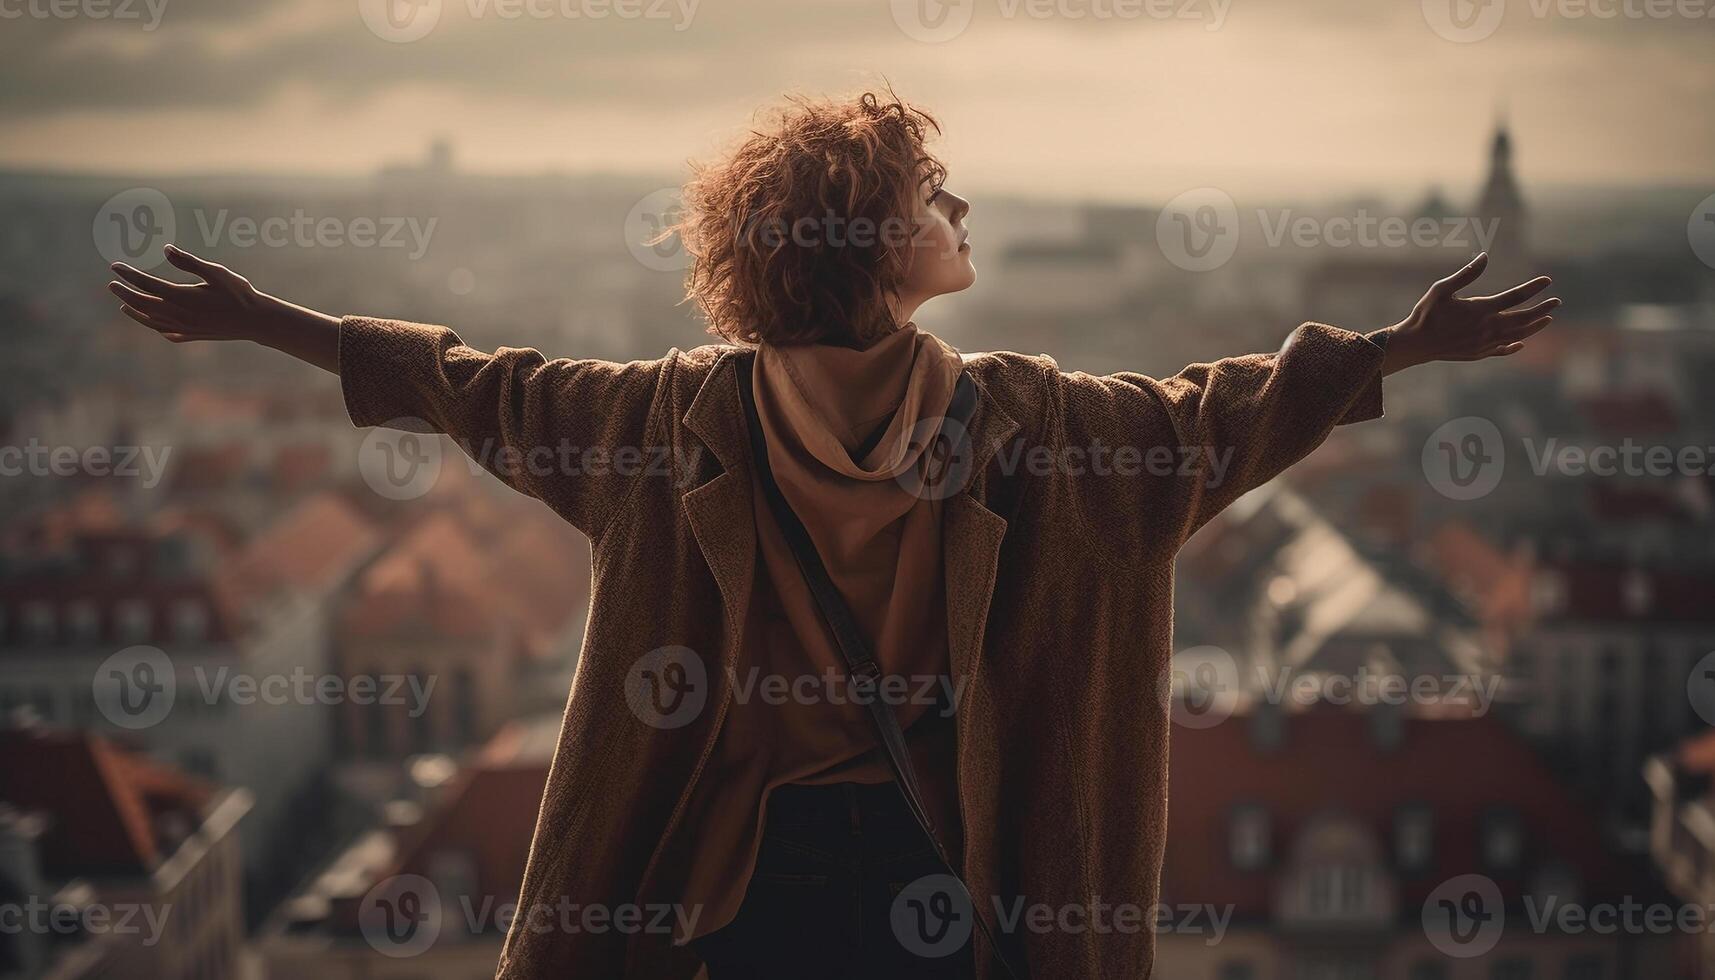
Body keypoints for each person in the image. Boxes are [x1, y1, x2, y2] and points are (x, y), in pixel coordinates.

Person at [104, 91, 1556, 980]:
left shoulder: (669, 422)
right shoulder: (1035, 430)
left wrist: (261, 320)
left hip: (739, 878)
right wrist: (1397, 350)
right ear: (869, 246)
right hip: (960, 867)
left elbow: (468, 386)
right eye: (935, 196)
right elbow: (1212, 420)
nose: (965, 204)